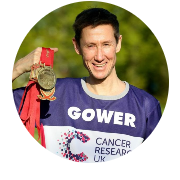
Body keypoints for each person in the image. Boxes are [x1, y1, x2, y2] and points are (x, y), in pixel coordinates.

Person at [12, 8, 162, 163]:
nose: (99, 56)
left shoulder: (146, 106)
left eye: (106, 44)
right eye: (90, 45)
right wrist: (18, 68)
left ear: (118, 43)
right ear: (77, 46)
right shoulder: (52, 94)